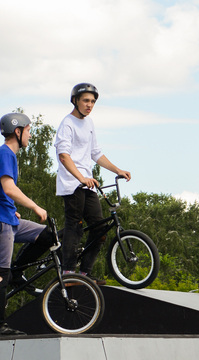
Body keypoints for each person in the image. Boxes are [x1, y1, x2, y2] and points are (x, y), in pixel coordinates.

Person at [0, 112, 53, 337]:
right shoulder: (4, 154)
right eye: (29, 131)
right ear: (18, 132)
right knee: (0, 271)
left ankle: (17, 273)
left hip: (7, 217)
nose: (31, 135)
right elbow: (9, 188)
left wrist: (12, 209)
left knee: (48, 235)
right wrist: (36, 207)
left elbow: (0, 192)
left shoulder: (8, 156)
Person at [54, 82, 131, 280]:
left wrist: (118, 169)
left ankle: (85, 273)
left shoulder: (89, 123)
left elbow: (96, 153)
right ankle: (68, 273)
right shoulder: (67, 124)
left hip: (87, 184)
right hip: (72, 184)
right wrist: (81, 177)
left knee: (99, 229)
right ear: (75, 101)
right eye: (86, 101)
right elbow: (64, 156)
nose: (90, 105)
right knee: (75, 226)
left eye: (93, 102)